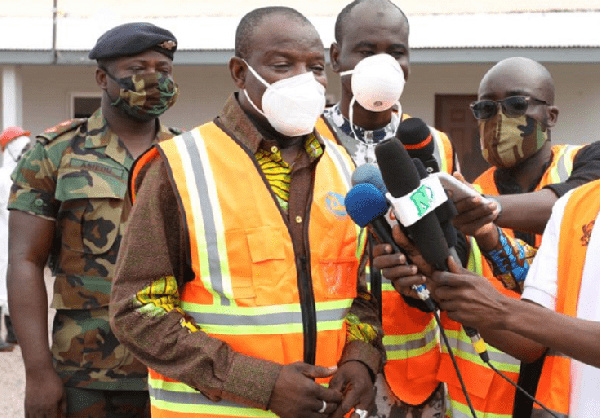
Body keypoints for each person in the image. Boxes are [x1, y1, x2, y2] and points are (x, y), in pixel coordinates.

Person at [109, 7, 384, 418]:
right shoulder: (179, 167)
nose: (303, 81)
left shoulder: (345, 168)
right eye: (282, 65)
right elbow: (137, 310)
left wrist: (361, 358)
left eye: (314, 67)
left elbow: (362, 293)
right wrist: (259, 384)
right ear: (240, 72)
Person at [7, 22, 181, 417]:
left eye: (164, 69)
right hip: (85, 371)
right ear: (103, 78)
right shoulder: (55, 153)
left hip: (175, 366)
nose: (154, 79)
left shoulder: (190, 155)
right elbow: (24, 262)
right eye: (138, 69)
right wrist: (37, 373)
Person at [317, 0, 457, 415]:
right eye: (365, 50)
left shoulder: (434, 144)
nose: (384, 62)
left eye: (396, 51)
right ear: (335, 56)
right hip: (332, 368)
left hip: (412, 379)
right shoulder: (305, 141)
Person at [442, 57, 600, 417]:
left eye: (516, 104)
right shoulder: (466, 199)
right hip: (487, 403)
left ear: (552, 116)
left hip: (573, 394)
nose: (499, 120)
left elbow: (562, 202)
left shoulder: (587, 164)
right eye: (486, 108)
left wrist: (487, 211)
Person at [430, 177, 600, 417]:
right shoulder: (574, 205)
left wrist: (502, 310)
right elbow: (530, 343)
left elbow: (511, 315)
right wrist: (440, 281)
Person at [0, 126, 31, 352]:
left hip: (18, 239)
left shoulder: (26, 176)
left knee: (16, 284)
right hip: (2, 239)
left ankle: (13, 333)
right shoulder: (2, 178)